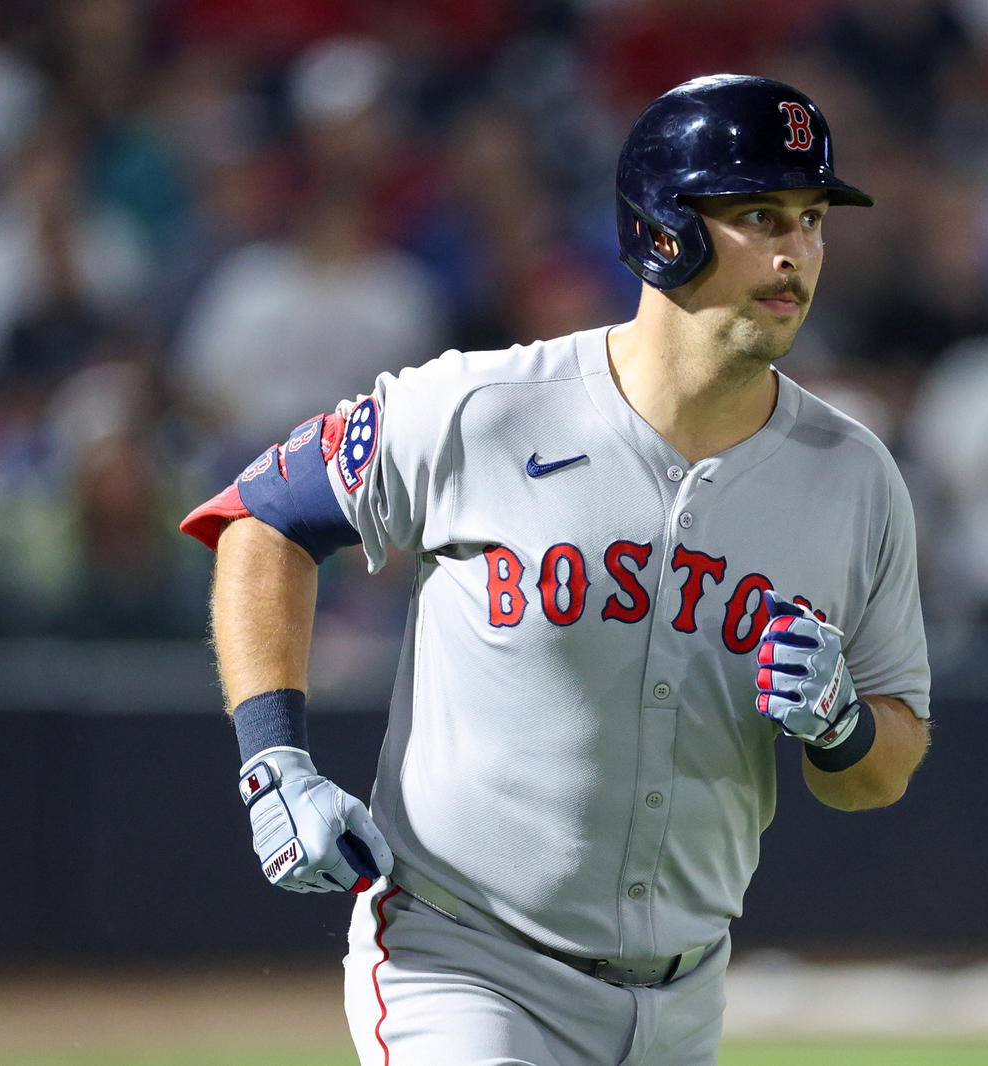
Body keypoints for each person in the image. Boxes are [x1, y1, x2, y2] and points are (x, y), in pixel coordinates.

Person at [180, 74, 931, 1065]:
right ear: (664, 228)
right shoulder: (487, 407)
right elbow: (260, 517)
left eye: (809, 217)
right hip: (462, 963)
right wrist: (273, 759)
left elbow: (884, 767)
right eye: (758, 214)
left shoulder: (853, 475)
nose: (797, 249)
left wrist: (841, 727)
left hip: (685, 996)